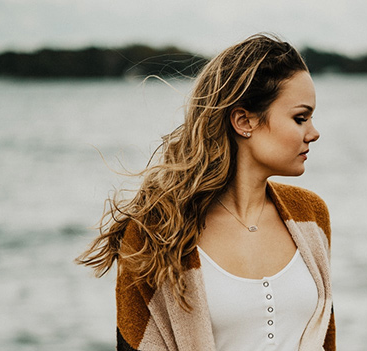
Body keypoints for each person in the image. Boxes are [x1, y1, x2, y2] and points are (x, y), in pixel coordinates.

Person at [77, 33, 336, 351]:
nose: (314, 132)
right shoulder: (155, 231)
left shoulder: (310, 216)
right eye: (300, 118)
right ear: (244, 121)